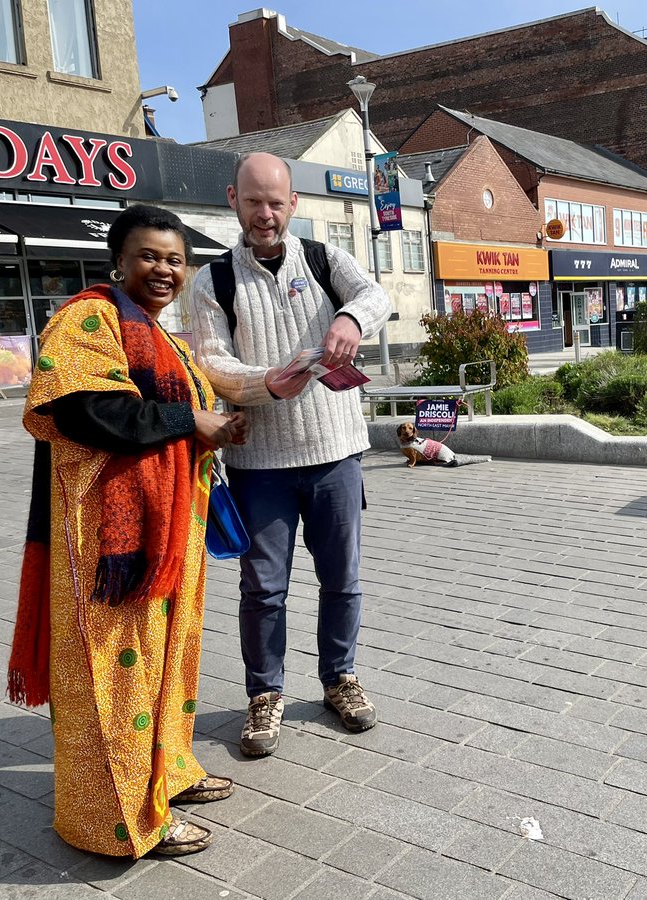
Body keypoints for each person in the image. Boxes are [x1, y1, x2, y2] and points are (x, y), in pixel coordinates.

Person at [6, 204, 248, 859]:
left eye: (174, 259)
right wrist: (188, 421)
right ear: (119, 259)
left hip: (165, 535)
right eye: (148, 256)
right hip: (105, 543)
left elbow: (172, 411)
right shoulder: (90, 318)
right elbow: (90, 412)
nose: (163, 269)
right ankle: (118, 820)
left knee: (166, 664)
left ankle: (165, 773)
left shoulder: (159, 332)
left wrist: (213, 425)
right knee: (113, 675)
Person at [189, 152, 391, 758]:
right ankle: (264, 694)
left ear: (293, 204)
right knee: (263, 589)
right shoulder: (213, 281)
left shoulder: (326, 259)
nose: (265, 213)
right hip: (260, 468)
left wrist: (353, 318)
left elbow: (375, 295)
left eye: (276, 202)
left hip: (335, 454)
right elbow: (211, 362)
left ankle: (339, 678)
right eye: (254, 201)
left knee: (342, 579)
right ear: (233, 200)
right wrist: (264, 384)